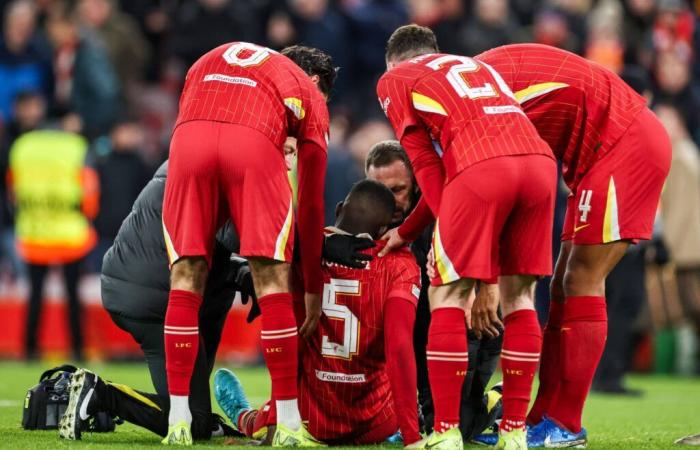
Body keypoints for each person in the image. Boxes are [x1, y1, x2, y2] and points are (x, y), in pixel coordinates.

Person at [58, 141, 373, 443]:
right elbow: (251, 237)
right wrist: (324, 245)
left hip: (152, 286)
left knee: (193, 408)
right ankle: (100, 393)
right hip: (154, 298)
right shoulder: (234, 171)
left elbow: (212, 241)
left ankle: (200, 417)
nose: (289, 161)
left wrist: (240, 273)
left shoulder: (204, 157)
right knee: (191, 421)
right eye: (286, 150)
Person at [476, 43, 672, 446]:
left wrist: (486, 278)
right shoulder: (476, 81)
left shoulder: (479, 99)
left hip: (623, 144)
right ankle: (541, 417)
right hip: (598, 152)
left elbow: (500, 186)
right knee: (563, 283)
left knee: (582, 278)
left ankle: (565, 423)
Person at [377, 25, 556, 450]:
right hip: (538, 165)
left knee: (448, 296)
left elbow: (424, 164)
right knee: (521, 300)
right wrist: (408, 231)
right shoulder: (476, 67)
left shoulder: (395, 79)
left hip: (480, 167)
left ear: (394, 62)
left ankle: (445, 433)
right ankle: (514, 432)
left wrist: (456, 242)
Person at [160, 41, 334, 445]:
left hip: (188, 142)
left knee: (185, 274)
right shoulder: (305, 89)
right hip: (252, 146)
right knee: (271, 278)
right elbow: (310, 199)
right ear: (313, 81)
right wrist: (310, 284)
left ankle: (178, 420)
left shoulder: (210, 57)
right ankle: (289, 424)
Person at [215, 179, 421, 446]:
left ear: (338, 210)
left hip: (306, 419)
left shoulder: (299, 248)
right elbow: (399, 348)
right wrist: (412, 436)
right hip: (375, 422)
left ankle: (248, 417)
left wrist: (275, 424)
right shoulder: (401, 264)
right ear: (384, 228)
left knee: (284, 344)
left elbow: (287, 341)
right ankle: (401, 430)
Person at [365, 140, 503, 440]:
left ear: (417, 184)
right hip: (414, 335)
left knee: (455, 428)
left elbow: (488, 239)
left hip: (467, 325)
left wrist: (482, 290)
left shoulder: (444, 209)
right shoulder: (363, 216)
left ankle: (494, 400)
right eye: (379, 191)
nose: (389, 201)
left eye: (398, 190)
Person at [7, 125, 99, 361]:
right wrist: (87, 215)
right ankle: (78, 349)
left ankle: (29, 349)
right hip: (70, 234)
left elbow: (12, 189)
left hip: (34, 232)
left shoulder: (22, 146)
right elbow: (89, 189)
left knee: (35, 295)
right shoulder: (76, 147)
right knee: (72, 296)